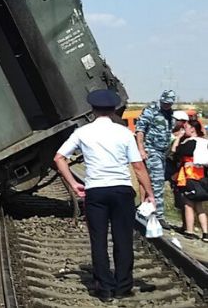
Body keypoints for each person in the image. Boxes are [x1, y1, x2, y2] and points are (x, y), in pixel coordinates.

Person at [54, 89, 155, 302]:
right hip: (122, 191)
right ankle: (123, 286)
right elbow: (137, 166)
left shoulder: (83, 133)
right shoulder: (124, 133)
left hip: (96, 192)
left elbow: (59, 158)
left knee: (98, 240)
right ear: (113, 110)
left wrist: (74, 184)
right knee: (123, 239)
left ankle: (105, 288)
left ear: (92, 109)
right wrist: (149, 192)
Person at [136, 89, 176, 228]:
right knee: (157, 182)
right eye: (165, 103)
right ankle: (158, 215)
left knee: (155, 182)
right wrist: (141, 149)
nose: (167, 105)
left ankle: (146, 211)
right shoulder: (151, 110)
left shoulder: (170, 113)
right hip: (151, 150)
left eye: (169, 104)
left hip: (162, 152)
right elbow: (140, 130)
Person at [172, 120, 208, 241]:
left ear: (192, 129)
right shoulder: (204, 142)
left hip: (189, 175)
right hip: (201, 176)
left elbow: (175, 151)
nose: (184, 129)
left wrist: (179, 138)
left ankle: (190, 231)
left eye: (186, 127)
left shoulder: (190, 142)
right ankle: (206, 233)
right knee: (200, 206)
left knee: (188, 204)